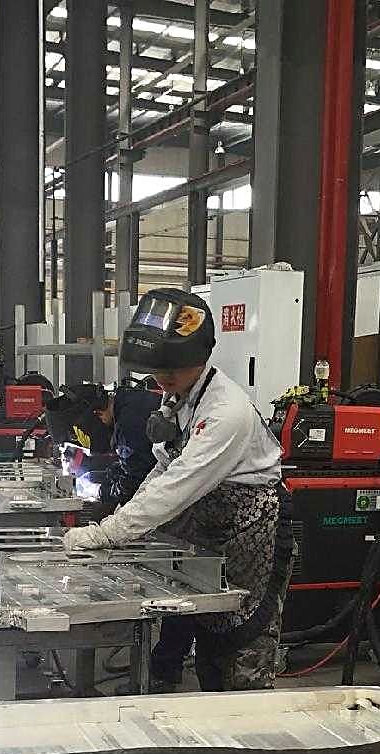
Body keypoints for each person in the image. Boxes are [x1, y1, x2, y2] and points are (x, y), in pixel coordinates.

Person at [62, 289, 292, 692]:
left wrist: (106, 533)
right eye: (157, 369)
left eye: (173, 368)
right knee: (209, 642)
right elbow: (163, 467)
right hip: (212, 529)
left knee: (241, 650)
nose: (163, 378)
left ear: (199, 357)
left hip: (251, 534)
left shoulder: (226, 413)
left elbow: (176, 486)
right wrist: (120, 520)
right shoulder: (181, 395)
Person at [46, 378, 161, 511]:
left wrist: (100, 491)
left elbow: (134, 482)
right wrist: (108, 475)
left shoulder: (127, 426)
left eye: (75, 436)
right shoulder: (127, 402)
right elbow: (139, 462)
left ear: (96, 414)